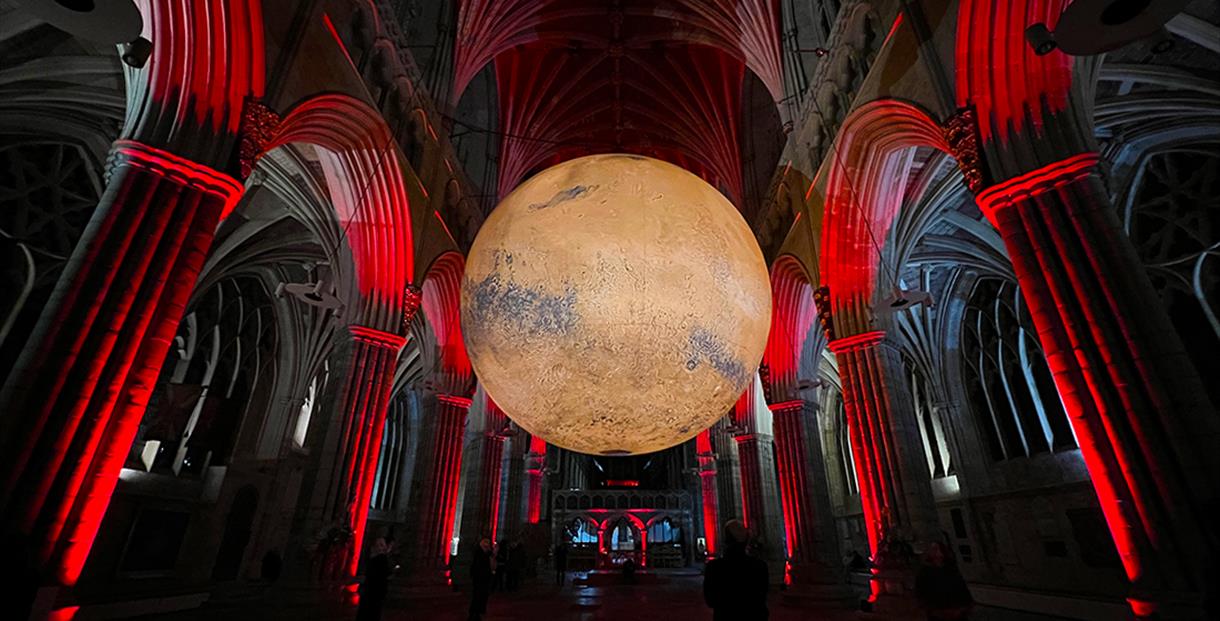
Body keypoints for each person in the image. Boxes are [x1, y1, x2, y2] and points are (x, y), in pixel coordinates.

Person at [703, 520, 769, 621]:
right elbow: (761, 598)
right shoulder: (759, 566)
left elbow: (710, 601)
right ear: (747, 540)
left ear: (725, 540)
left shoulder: (714, 567)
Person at [915, 541, 973, 621]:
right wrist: (934, 611)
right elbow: (920, 593)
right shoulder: (925, 572)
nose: (937, 553)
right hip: (939, 613)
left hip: (957, 611)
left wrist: (965, 606)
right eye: (934, 550)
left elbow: (961, 587)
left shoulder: (951, 568)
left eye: (938, 549)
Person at [356, 538, 394, 621]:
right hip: (373, 591)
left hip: (373, 591)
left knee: (370, 613)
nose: (380, 547)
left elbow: (384, 573)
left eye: (381, 545)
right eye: (379, 545)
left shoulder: (381, 559)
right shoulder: (377, 558)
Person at [469, 538, 495, 621]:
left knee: (480, 596)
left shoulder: (485, 554)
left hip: (483, 578)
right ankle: (474, 614)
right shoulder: (480, 554)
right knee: (478, 596)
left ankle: (476, 613)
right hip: (480, 578)